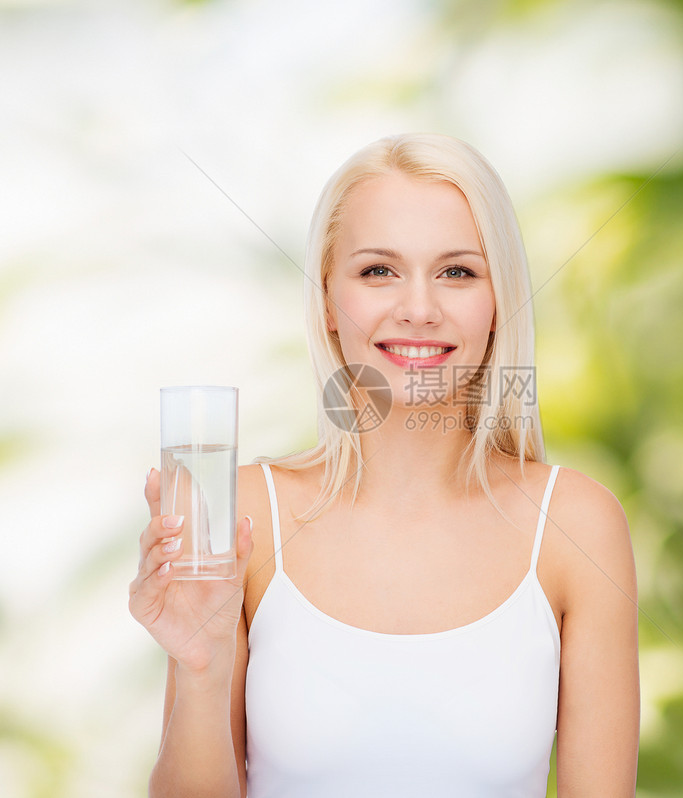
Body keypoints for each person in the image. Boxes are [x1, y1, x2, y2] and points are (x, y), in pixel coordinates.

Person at [129, 133, 639, 797]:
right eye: (378, 271)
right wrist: (198, 666)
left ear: (500, 302)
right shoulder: (245, 517)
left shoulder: (576, 527)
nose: (419, 309)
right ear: (328, 303)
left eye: (457, 271)